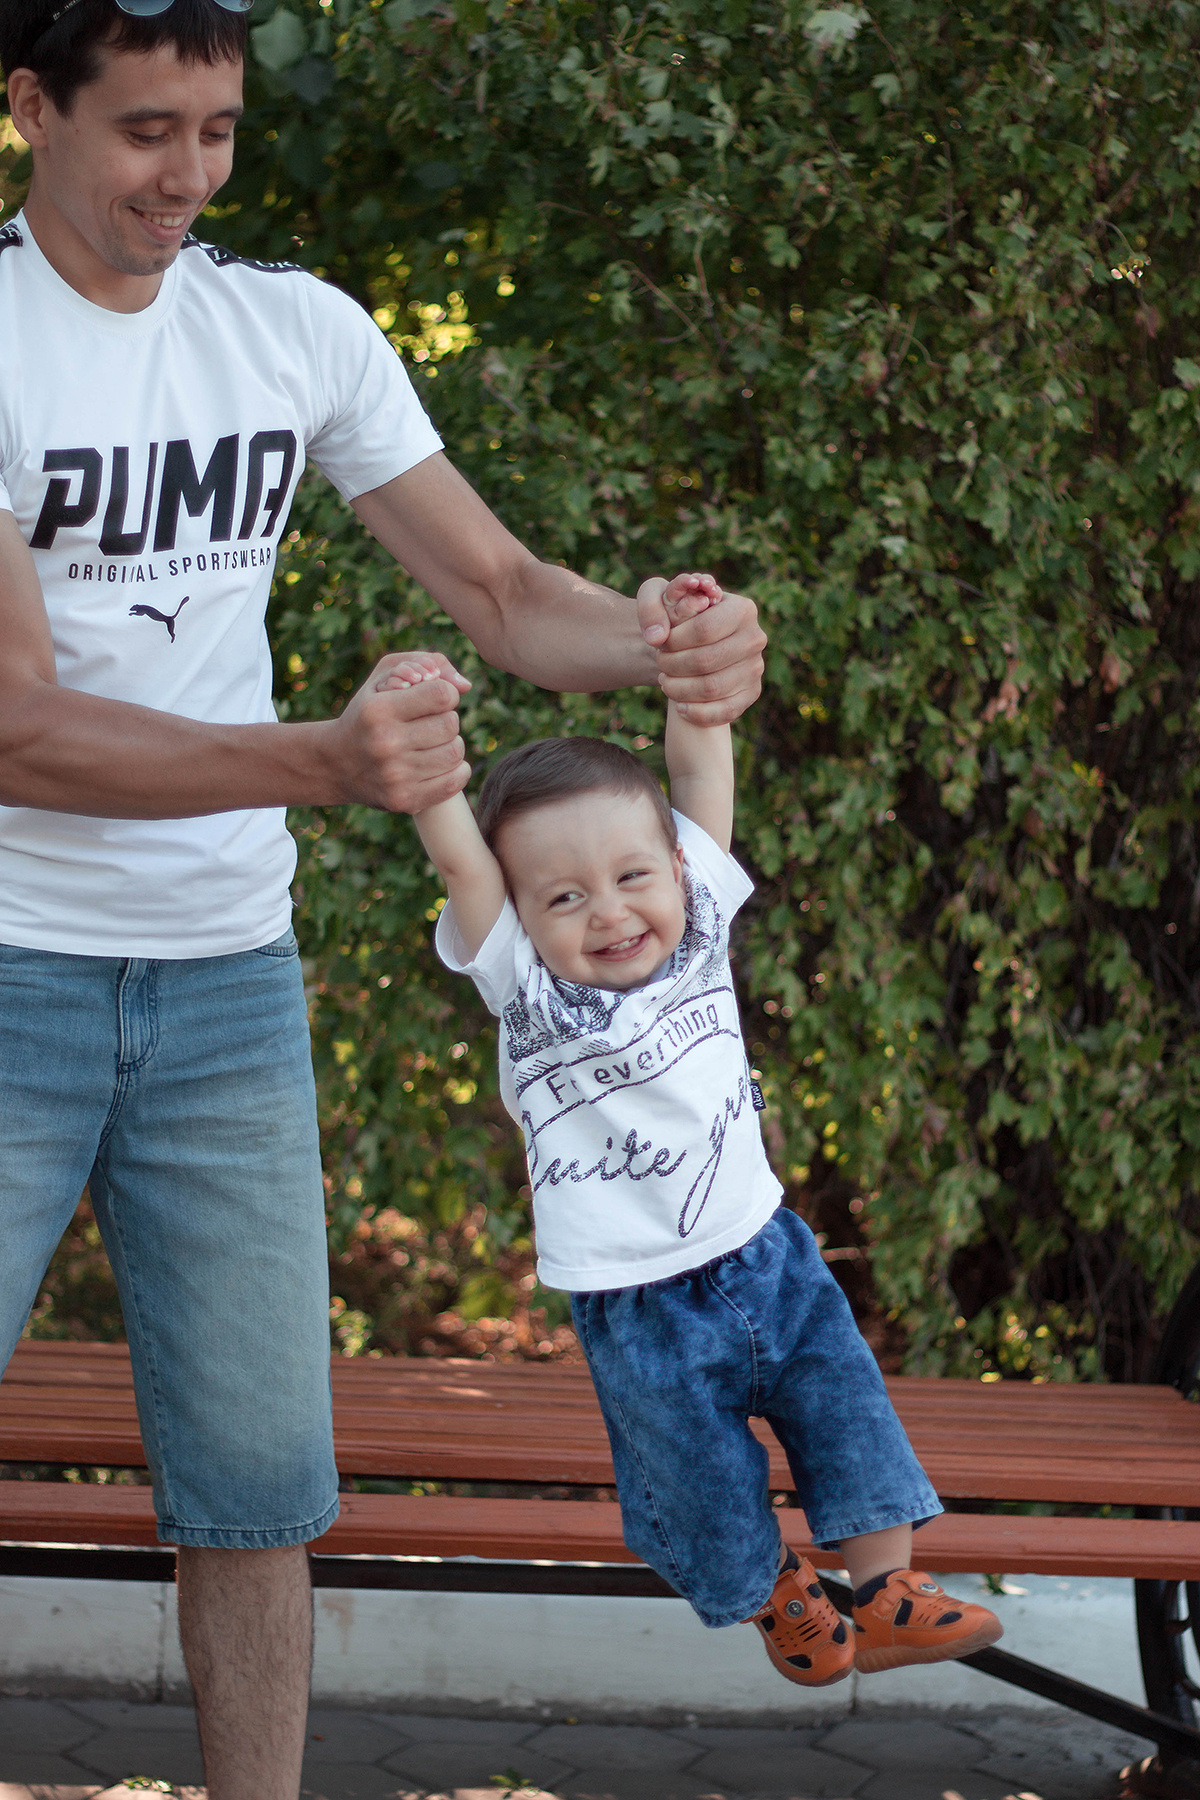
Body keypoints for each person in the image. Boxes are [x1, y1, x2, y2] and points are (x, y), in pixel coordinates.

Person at [0, 1, 767, 1792]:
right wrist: (326, 764)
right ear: (29, 106)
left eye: (219, 130)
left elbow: (503, 596)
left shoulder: (289, 333)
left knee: (261, 1489)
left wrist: (666, 640)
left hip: (223, 993)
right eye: (143, 131)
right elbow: (19, 728)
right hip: (11, 969)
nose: (188, 175)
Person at [402, 570, 1003, 1687]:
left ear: (679, 869)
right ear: (521, 917)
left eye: (632, 876)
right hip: (636, 1299)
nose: (611, 909)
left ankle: (888, 1590)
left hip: (765, 1250)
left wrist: (688, 666)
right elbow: (458, 859)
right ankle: (780, 1601)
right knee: (693, 1476)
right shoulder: (524, 986)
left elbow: (696, 763)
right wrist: (429, 750)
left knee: (843, 1407)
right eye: (565, 897)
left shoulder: (700, 925)